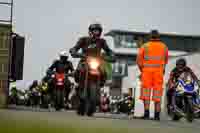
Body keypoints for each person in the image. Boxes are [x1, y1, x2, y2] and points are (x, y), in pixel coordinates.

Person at [69, 23, 115, 88]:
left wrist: (112, 54)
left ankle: (99, 86)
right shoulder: (83, 39)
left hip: (97, 62)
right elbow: (75, 47)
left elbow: (108, 50)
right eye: (95, 31)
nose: (96, 32)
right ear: (90, 31)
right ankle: (78, 85)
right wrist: (73, 51)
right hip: (84, 60)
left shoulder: (102, 41)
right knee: (78, 71)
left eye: (98, 31)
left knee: (104, 72)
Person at [136, 30, 168, 120]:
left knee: (146, 92)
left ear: (150, 37)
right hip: (159, 73)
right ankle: (157, 115)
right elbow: (165, 60)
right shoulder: (164, 47)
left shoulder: (145, 46)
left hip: (146, 72)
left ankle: (146, 114)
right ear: (158, 37)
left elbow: (138, 61)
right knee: (157, 92)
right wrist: (162, 69)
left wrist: (142, 70)